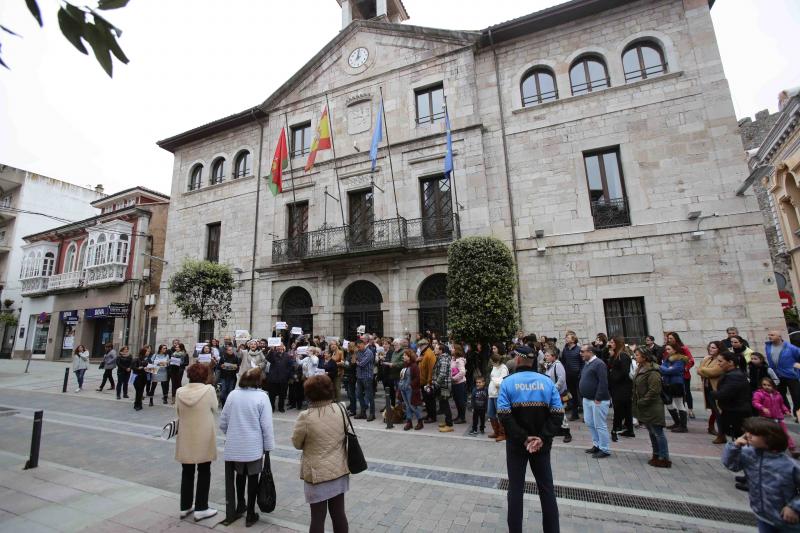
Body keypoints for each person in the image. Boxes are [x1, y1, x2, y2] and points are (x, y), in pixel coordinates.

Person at [497, 344, 563, 533]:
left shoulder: (508, 383)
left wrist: (524, 438)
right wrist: (541, 438)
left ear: (517, 360)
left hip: (517, 445)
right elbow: (558, 414)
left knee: (515, 489)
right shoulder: (547, 382)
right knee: (547, 489)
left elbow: (504, 416)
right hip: (541, 445)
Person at [292, 375, 350, 533]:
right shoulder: (341, 409)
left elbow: (297, 443)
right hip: (338, 469)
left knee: (317, 517)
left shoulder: (305, 416)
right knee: (339, 514)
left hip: (317, 474)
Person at [721, 417, 800, 532]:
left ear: (770, 438)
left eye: (754, 433)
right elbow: (730, 464)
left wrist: (794, 507)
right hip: (763, 516)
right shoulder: (748, 454)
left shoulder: (789, 465)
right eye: (747, 432)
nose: (748, 435)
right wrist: (735, 445)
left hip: (788, 519)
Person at [219, 368, 275, 527]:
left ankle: (240, 505)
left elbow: (223, 420)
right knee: (252, 477)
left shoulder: (233, 395)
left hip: (236, 444)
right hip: (253, 445)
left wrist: (231, 434)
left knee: (239, 474)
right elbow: (267, 426)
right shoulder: (262, 397)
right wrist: (268, 446)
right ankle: (250, 512)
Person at [175, 363, 218, 522]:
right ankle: (201, 507)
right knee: (204, 470)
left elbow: (178, 411)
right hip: (204, 435)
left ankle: (185, 506)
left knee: (187, 471)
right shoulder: (209, 390)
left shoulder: (180, 391)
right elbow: (215, 408)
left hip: (186, 435)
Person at [632, 347, 670, 468]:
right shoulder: (640, 368)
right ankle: (656, 453)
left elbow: (654, 390)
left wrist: (642, 401)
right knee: (651, 432)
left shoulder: (653, 371)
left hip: (653, 406)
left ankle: (663, 457)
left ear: (645, 357)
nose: (635, 357)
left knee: (658, 432)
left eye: (637, 355)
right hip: (644, 406)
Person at [713, 351, 753, 446]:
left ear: (730, 362)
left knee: (741, 439)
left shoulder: (734, 376)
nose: (718, 363)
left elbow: (725, 393)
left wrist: (714, 394)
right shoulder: (731, 374)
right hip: (733, 410)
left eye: (720, 361)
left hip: (737, 412)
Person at [579, 343, 611, 458]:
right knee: (589, 422)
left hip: (598, 400)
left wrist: (598, 397)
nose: (580, 354)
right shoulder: (587, 364)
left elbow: (603, 382)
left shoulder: (599, 364)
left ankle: (605, 449)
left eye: (583, 351)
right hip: (587, 399)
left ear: (590, 352)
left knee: (600, 425)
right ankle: (596, 444)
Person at [753, 377, 796, 453]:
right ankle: (771, 448)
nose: (766, 387)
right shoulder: (759, 394)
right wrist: (762, 408)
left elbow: (781, 404)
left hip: (778, 418)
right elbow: (755, 402)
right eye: (764, 385)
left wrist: (786, 410)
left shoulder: (777, 394)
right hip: (766, 419)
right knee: (769, 435)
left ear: (773, 386)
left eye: (769, 385)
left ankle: (792, 449)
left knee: (784, 433)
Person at [765, 330, 800, 417]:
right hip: (777, 374)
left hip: (791, 374)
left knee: (796, 395)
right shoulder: (768, 346)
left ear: (779, 337)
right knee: (780, 393)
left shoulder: (791, 348)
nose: (770, 337)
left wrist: (796, 367)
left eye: (772, 335)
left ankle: (797, 413)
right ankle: (786, 410)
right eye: (769, 335)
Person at [697, 341, 726, 444]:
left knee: (719, 411)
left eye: (713, 348)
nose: (711, 349)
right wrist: (704, 371)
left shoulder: (721, 359)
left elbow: (714, 371)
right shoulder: (708, 358)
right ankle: (714, 429)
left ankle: (722, 434)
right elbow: (698, 371)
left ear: (719, 349)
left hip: (717, 388)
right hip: (708, 388)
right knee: (715, 410)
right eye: (710, 347)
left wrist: (703, 370)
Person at [607, 336, 634, 440]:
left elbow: (624, 371)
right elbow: (610, 365)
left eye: (613, 342)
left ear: (617, 343)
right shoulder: (616, 355)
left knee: (619, 409)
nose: (610, 344)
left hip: (623, 387)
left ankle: (615, 429)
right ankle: (629, 430)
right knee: (625, 410)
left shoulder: (623, 356)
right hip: (617, 387)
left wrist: (614, 378)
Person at [543, 349, 572, 443]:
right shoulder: (549, 365)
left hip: (558, 393)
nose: (545, 357)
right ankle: (559, 429)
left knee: (561, 413)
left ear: (554, 356)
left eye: (547, 355)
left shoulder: (558, 365)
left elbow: (561, 379)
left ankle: (567, 432)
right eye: (545, 355)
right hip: (551, 393)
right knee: (553, 412)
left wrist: (553, 389)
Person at [665, 331, 695, 418]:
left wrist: (685, 368)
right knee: (677, 395)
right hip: (673, 376)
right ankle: (682, 412)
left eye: (671, 338)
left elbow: (691, 360)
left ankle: (690, 410)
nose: (669, 340)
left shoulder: (683, 348)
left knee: (687, 392)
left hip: (684, 375)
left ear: (676, 339)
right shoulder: (668, 349)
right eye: (668, 338)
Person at [660, 343, 688, 433]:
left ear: (675, 350)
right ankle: (677, 422)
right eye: (666, 349)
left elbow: (672, 370)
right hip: (667, 383)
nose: (667, 351)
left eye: (669, 349)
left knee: (679, 404)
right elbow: (663, 368)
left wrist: (666, 369)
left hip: (676, 383)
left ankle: (683, 426)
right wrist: (666, 369)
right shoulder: (667, 359)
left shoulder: (680, 359)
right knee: (668, 403)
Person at [396, 349, 424, 431]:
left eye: (405, 355)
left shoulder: (414, 366)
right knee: (407, 406)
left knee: (413, 406)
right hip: (403, 389)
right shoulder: (405, 365)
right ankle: (409, 422)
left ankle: (420, 421)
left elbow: (417, 378)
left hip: (410, 390)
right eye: (404, 355)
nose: (403, 356)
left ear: (409, 357)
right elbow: (402, 377)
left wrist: (410, 386)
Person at [488, 352, 510, 441]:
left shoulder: (503, 368)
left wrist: (495, 380)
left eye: (492, 362)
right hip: (492, 393)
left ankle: (502, 433)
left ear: (497, 361)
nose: (492, 363)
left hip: (499, 394)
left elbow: (503, 380)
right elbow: (493, 377)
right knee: (490, 413)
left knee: (500, 414)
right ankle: (496, 431)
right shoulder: (494, 366)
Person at [266, 343, 294, 413]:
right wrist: (271, 350)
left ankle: (281, 407)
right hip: (273, 379)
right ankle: (272, 407)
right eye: (278, 346)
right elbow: (268, 358)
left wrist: (288, 376)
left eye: (280, 346)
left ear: (283, 347)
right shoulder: (273, 354)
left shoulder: (287, 355)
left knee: (282, 395)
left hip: (283, 379)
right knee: (272, 395)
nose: (279, 347)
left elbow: (290, 366)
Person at [561, 333, 582, 421]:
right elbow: (563, 361)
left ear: (573, 340)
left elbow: (582, 362)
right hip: (568, 375)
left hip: (577, 375)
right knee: (571, 395)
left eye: (568, 337)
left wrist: (581, 373)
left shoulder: (579, 349)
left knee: (580, 394)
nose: (566, 338)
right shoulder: (565, 349)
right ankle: (574, 413)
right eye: (566, 337)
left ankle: (584, 412)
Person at [433, 343, 454, 432]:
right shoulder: (441, 358)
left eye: (437, 348)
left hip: (444, 385)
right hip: (442, 384)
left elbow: (442, 373)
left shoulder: (444, 359)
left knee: (445, 404)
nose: (435, 349)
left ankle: (449, 425)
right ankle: (447, 422)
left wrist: (436, 383)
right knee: (443, 404)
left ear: (441, 350)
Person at [354, 339, 375, 421]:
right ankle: (363, 412)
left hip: (367, 376)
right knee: (359, 395)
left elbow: (362, 364)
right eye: (357, 347)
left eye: (359, 346)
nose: (358, 348)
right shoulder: (358, 352)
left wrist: (357, 362)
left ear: (363, 344)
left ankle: (372, 414)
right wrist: (356, 360)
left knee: (369, 395)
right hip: (359, 376)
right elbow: (354, 361)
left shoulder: (368, 352)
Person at [417, 339, 437, 423]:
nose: (420, 347)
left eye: (421, 346)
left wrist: (429, 382)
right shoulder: (424, 354)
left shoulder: (429, 354)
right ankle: (429, 415)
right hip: (423, 382)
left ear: (425, 345)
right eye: (419, 346)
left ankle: (432, 417)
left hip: (427, 382)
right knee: (427, 400)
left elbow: (431, 370)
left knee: (430, 400)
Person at [450, 345, 468, 424]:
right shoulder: (453, 359)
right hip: (455, 384)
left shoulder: (459, 360)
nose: (451, 349)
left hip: (460, 384)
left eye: (453, 348)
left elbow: (462, 372)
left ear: (457, 350)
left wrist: (454, 378)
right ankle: (459, 416)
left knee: (461, 401)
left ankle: (462, 418)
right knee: (457, 401)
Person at [132, 347, 150, 411]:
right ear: (143, 352)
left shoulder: (146, 359)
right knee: (138, 391)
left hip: (144, 377)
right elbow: (133, 367)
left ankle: (139, 403)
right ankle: (137, 405)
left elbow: (148, 367)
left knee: (141, 391)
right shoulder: (136, 359)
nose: (148, 352)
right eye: (147, 351)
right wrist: (140, 368)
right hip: (137, 377)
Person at [343, 343, 358, 416]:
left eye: (348, 346)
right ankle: (352, 407)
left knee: (352, 393)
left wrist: (344, 364)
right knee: (349, 393)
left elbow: (351, 366)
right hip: (347, 375)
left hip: (352, 376)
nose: (347, 348)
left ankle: (353, 410)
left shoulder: (354, 354)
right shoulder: (349, 354)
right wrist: (345, 364)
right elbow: (347, 363)